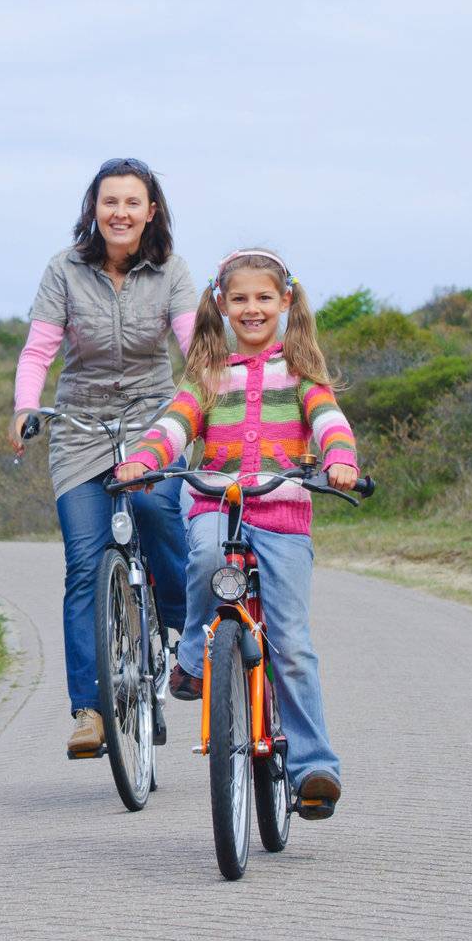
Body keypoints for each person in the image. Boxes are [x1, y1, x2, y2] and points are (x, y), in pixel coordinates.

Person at [114, 248, 358, 820]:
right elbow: (174, 425)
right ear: (221, 304)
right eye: (240, 299)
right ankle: (197, 657)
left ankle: (313, 768)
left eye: (264, 298)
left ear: (286, 302)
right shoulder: (207, 374)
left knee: (291, 644)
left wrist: (339, 458)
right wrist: (144, 460)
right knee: (200, 558)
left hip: (281, 514)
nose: (252, 309)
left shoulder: (302, 375)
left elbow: (330, 422)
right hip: (215, 501)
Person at [10, 157, 199, 759]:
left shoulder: (171, 269)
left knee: (159, 514)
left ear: (151, 211)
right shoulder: (63, 269)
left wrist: (207, 406)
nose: (120, 212)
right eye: (108, 201)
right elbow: (40, 348)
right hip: (81, 422)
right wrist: (24, 406)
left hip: (152, 415)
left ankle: (180, 637)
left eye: (132, 202)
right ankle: (90, 709)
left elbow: (197, 344)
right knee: (85, 561)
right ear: (94, 208)